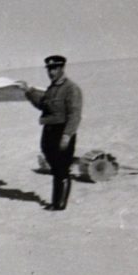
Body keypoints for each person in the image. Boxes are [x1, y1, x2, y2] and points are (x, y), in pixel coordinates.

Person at [17, 55, 83, 211]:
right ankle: (58, 196)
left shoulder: (71, 89)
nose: (51, 72)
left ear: (62, 68)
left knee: (61, 168)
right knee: (54, 164)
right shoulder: (51, 89)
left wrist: (67, 135)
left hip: (63, 130)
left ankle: (58, 205)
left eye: (55, 69)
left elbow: (75, 114)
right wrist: (29, 92)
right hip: (49, 130)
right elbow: (42, 105)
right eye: (49, 69)